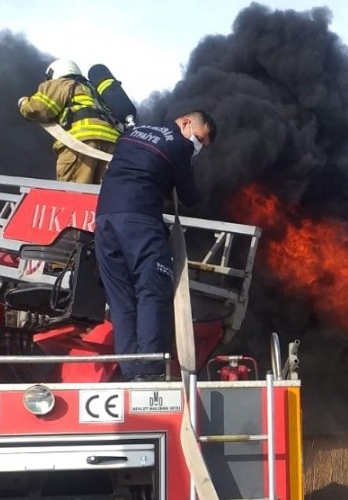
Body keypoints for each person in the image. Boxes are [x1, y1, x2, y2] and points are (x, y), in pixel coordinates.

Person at [95, 110, 216, 382]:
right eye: (199, 139)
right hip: (139, 221)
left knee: (121, 299)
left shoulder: (131, 134)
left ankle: (130, 371)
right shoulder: (178, 145)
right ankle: (149, 372)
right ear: (185, 123)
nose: (197, 147)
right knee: (152, 292)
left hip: (104, 221)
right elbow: (190, 197)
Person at [18, 59, 120, 184]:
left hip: (81, 143)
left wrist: (23, 103)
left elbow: (39, 109)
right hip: (112, 147)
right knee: (102, 197)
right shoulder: (94, 91)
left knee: (74, 195)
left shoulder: (62, 83)